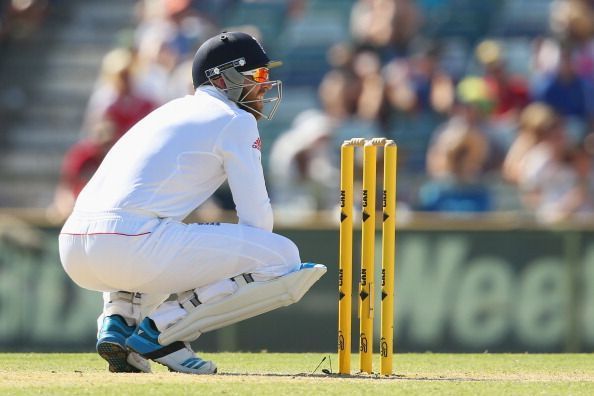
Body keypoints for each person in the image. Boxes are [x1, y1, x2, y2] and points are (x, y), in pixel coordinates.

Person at [58, 31, 326, 375]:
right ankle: (164, 331)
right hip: (130, 245)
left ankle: (119, 321)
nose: (265, 85)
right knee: (282, 256)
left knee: (158, 231)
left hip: (74, 246)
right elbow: (259, 225)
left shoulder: (166, 111)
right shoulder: (236, 119)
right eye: (257, 75)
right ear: (222, 77)